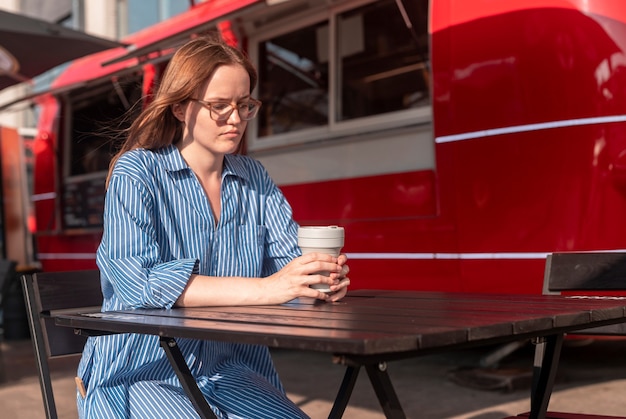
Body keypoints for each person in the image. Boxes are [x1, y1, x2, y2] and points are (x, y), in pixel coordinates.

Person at [76, 35, 350, 418]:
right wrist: (271, 287)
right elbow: (139, 284)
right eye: (219, 106)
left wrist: (317, 282)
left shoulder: (253, 177)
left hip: (231, 369)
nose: (236, 119)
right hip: (142, 372)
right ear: (179, 108)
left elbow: (289, 272)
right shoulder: (137, 172)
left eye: (244, 105)